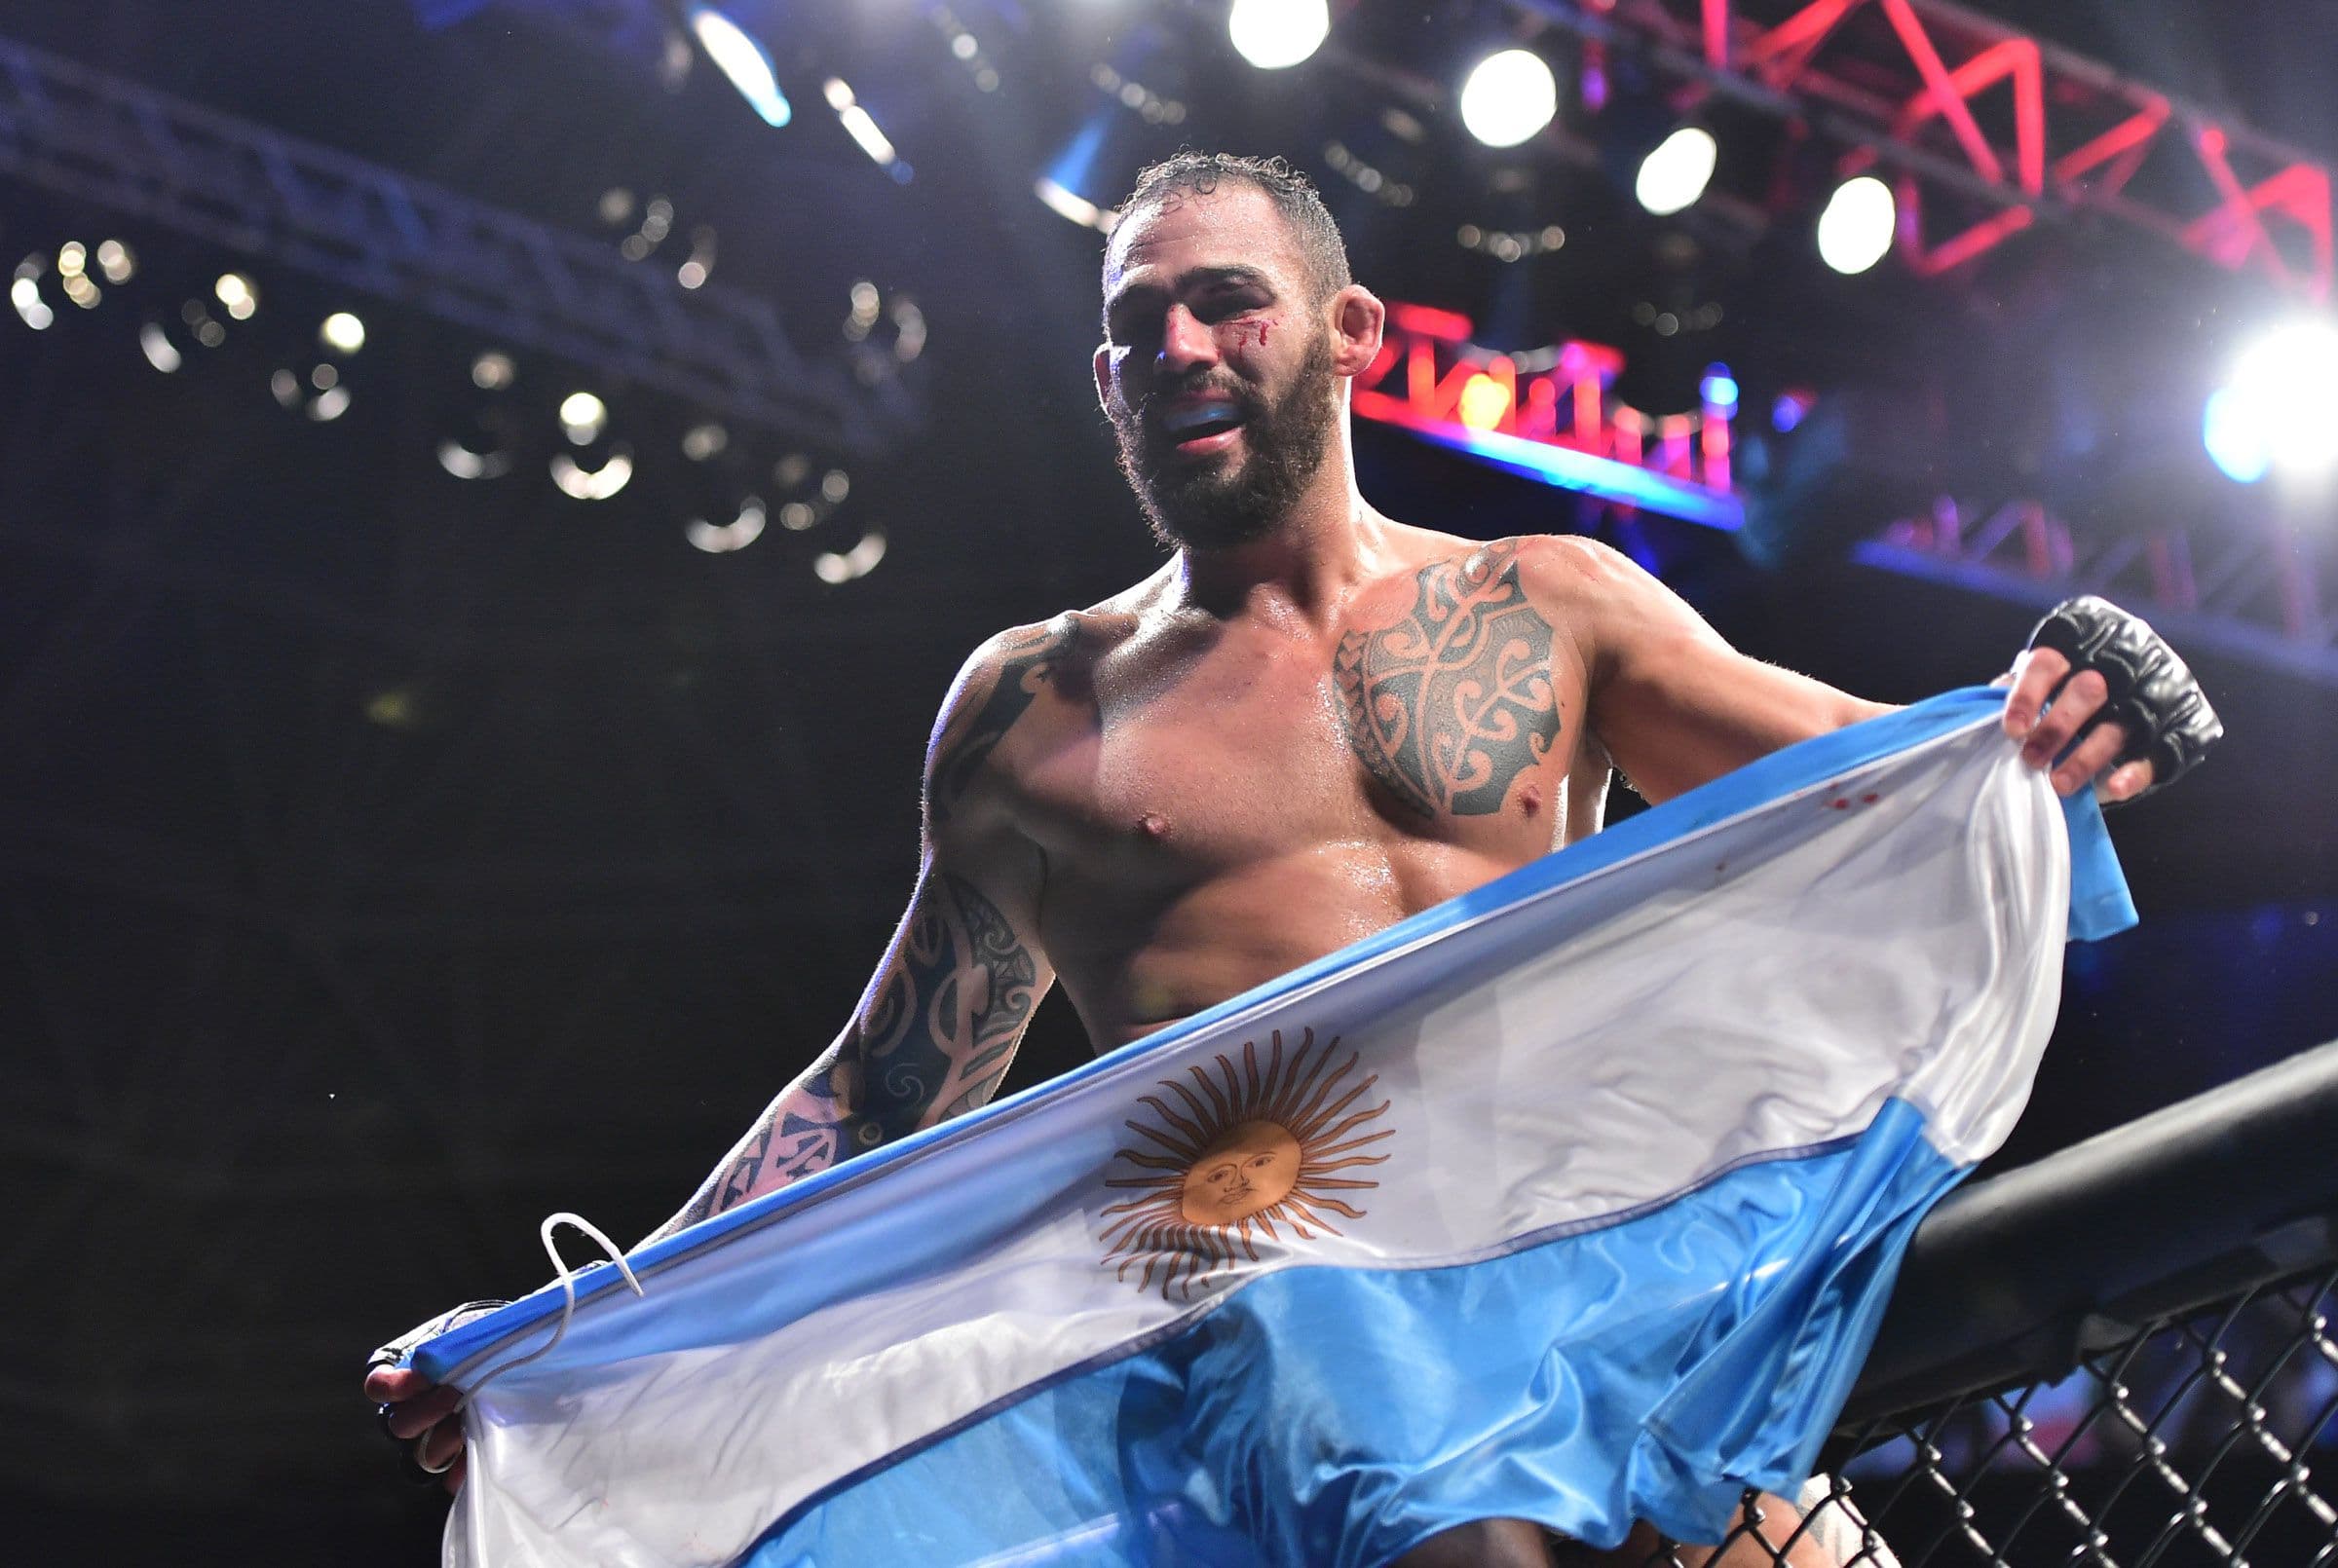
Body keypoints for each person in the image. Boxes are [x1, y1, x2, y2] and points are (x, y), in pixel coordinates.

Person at [368, 153, 2219, 1565]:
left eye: (1226, 300)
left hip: (1593, 1301)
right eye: (1137, 322)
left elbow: (1877, 780)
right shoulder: (1041, 713)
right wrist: (570, 1334)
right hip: (1274, 1362)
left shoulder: (1550, 603)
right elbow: (880, 1088)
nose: (1176, 342)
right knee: (1366, 1391)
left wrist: (2063, 717)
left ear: (1349, 333)